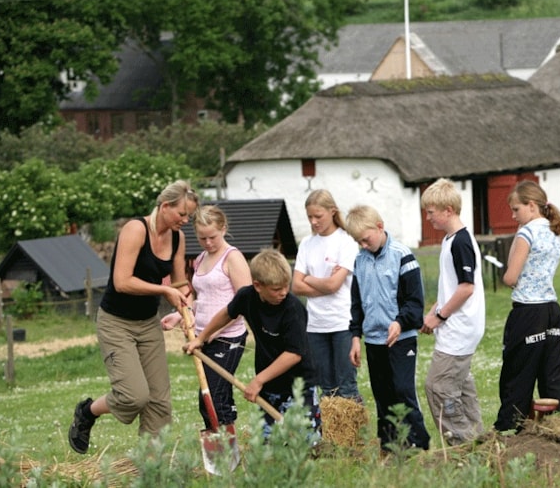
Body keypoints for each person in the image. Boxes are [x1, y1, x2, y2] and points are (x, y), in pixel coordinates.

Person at [69, 180, 199, 454]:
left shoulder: (177, 237)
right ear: (165, 207)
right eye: (182, 214)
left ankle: (150, 468)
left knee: (159, 402)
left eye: (189, 216)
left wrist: (187, 303)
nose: (186, 221)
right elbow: (122, 281)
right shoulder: (135, 230)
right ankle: (88, 412)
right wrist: (164, 290)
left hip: (148, 323)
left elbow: (178, 281)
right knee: (134, 396)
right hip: (117, 323)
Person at [184, 248, 320, 441]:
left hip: (299, 385)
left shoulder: (293, 309)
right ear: (258, 285)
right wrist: (201, 338)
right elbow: (227, 313)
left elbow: (293, 354)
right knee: (268, 444)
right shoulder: (247, 296)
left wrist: (258, 381)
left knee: (306, 442)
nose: (283, 293)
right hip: (270, 386)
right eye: (276, 289)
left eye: (285, 286)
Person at [346, 205, 430, 452]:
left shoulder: (402, 255)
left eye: (365, 239)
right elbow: (356, 303)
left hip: (400, 338)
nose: (362, 245)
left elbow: (415, 302)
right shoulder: (359, 261)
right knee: (382, 393)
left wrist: (400, 321)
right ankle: (390, 445)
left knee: (402, 391)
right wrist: (355, 337)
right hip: (373, 340)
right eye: (358, 241)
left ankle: (419, 444)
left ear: (379, 227)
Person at [160, 205, 251, 433]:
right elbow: (203, 299)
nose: (208, 243)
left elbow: (243, 303)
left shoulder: (233, 258)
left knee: (214, 395)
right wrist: (180, 315)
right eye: (202, 238)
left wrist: (208, 333)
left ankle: (225, 449)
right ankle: (223, 449)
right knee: (209, 395)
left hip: (227, 337)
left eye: (212, 237)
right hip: (202, 337)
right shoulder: (200, 259)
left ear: (223, 229)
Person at [494, 180, 560, 432]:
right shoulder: (553, 230)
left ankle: (511, 426)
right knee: (552, 375)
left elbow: (511, 277)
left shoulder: (526, 233)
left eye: (516, 209)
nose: (513, 215)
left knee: (518, 374)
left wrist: (505, 276)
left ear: (531, 205)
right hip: (551, 309)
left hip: (527, 310)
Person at [419, 179, 486, 445]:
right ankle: (480, 440)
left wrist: (441, 315)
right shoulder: (451, 240)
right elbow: (452, 286)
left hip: (459, 328)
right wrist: (433, 311)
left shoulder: (461, 242)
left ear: (448, 209)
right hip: (454, 325)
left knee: (438, 387)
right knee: (462, 386)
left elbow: (466, 288)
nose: (428, 217)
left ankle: (462, 445)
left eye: (431, 211)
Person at [291, 190, 362, 403]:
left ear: (332, 212)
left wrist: (310, 279)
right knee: (326, 387)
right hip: (315, 325)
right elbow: (296, 286)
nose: (314, 222)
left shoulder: (347, 241)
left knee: (346, 384)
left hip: (342, 322)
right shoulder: (306, 244)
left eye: (318, 216)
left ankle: (352, 435)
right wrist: (321, 283)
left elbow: (334, 285)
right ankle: (329, 433)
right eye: (310, 217)